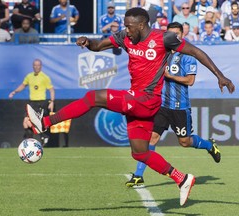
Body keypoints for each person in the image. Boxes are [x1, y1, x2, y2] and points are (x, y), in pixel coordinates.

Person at [26, 7, 235, 206]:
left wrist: (221, 76)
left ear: (142, 25)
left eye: (129, 26)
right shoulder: (125, 38)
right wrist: (88, 42)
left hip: (147, 99)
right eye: (125, 26)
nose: (126, 30)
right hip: (137, 102)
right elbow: (99, 46)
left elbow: (196, 52)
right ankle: (182, 178)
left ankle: (45, 122)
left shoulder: (164, 38)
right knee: (140, 152)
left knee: (92, 97)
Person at [125, 22, 221, 188]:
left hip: (179, 106)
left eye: (176, 34)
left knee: (185, 142)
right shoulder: (161, 52)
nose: (172, 37)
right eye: (169, 34)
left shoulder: (187, 56)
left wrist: (169, 76)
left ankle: (209, 145)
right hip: (161, 105)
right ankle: (138, 175)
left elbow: (190, 81)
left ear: (182, 36)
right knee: (151, 138)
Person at [9, 59, 55, 146]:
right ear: (33, 66)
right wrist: (14, 92)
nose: (36, 67)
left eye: (38, 65)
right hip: (31, 103)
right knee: (25, 123)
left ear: (41, 66)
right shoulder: (29, 76)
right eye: (35, 65)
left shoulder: (45, 77)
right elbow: (23, 85)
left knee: (32, 121)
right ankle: (32, 141)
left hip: (41, 102)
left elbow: (51, 90)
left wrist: (52, 101)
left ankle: (42, 136)